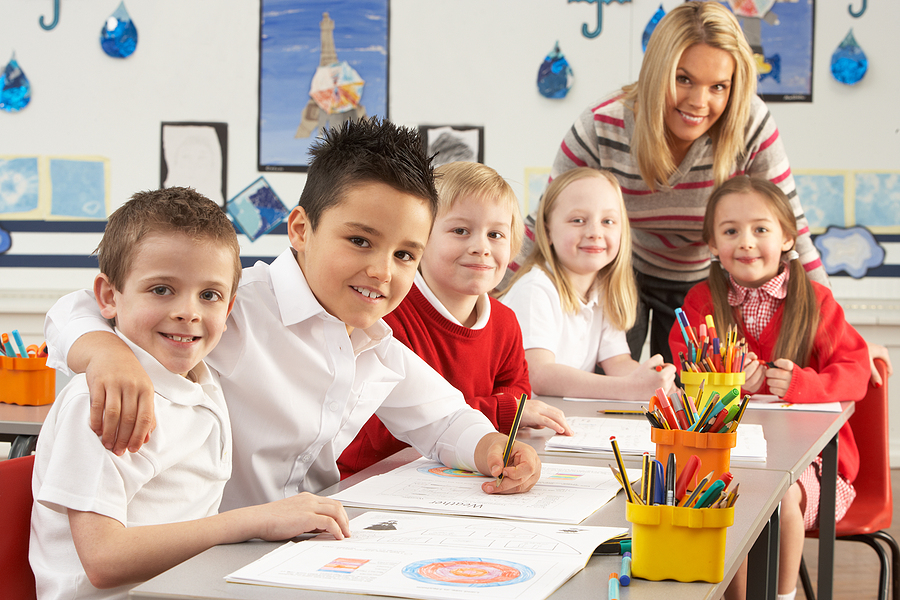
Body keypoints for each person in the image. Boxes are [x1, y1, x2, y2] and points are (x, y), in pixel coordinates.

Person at [43, 118, 542, 515]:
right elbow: (77, 306)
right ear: (301, 230)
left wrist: (493, 448)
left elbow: (443, 419)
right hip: (207, 555)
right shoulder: (234, 304)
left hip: (298, 548)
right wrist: (104, 351)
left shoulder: (373, 341)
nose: (381, 271)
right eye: (360, 240)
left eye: (406, 255)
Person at [30, 188, 351, 600]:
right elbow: (104, 560)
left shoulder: (201, 376)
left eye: (209, 295)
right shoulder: (103, 401)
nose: (189, 311)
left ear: (230, 306)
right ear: (110, 297)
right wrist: (255, 521)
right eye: (161, 289)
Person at [669, 176, 871, 600]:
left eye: (760, 229)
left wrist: (801, 383)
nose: (746, 242)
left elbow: (855, 372)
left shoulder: (815, 300)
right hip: (731, 455)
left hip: (813, 464)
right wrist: (726, 381)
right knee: (727, 494)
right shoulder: (701, 302)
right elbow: (685, 373)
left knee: (779, 495)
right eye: (730, 231)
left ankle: (782, 596)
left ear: (786, 238)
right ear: (712, 245)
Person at [338, 162, 572, 478]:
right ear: (419, 241)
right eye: (460, 231)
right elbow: (386, 427)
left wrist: (504, 411)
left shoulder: (505, 321)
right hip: (369, 480)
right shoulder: (387, 313)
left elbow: (518, 397)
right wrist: (499, 410)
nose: (481, 248)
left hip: (457, 474)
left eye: (496, 234)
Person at [498, 167, 675, 401]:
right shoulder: (535, 289)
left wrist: (657, 384)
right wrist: (630, 388)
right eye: (578, 220)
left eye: (608, 221)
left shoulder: (602, 290)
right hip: (515, 427)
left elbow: (618, 362)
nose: (595, 232)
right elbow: (539, 374)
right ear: (548, 231)